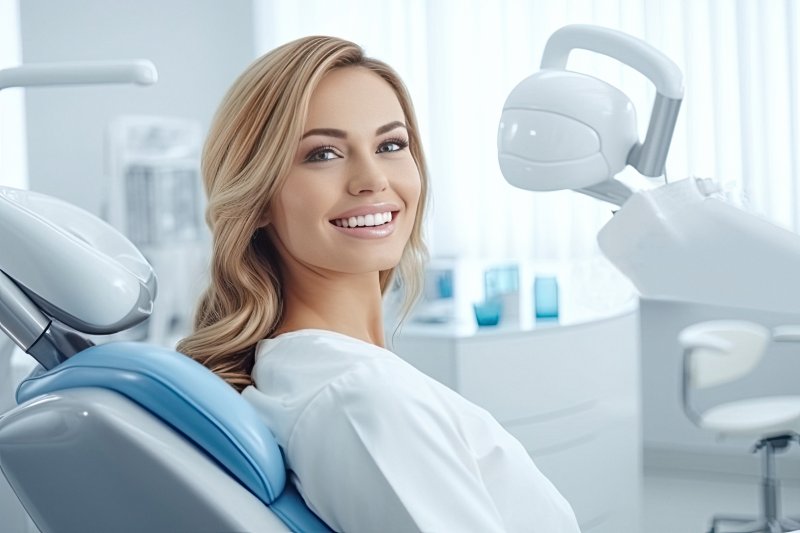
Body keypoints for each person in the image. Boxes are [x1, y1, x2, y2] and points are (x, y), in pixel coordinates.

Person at [177, 35, 580, 533]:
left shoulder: (320, 373)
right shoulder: (362, 396)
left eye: (391, 145)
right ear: (256, 198)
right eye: (323, 154)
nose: (372, 179)